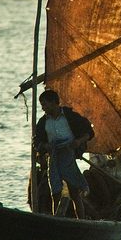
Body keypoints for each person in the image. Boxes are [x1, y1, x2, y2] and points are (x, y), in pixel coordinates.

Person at [34, 89, 94, 219]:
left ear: (54, 102)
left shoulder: (70, 116)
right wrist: (45, 146)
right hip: (53, 158)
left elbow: (89, 131)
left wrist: (78, 141)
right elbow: (36, 141)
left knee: (74, 192)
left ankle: (81, 220)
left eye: (45, 104)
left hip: (68, 156)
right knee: (55, 191)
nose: (43, 108)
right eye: (41, 105)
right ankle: (56, 220)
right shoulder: (43, 122)